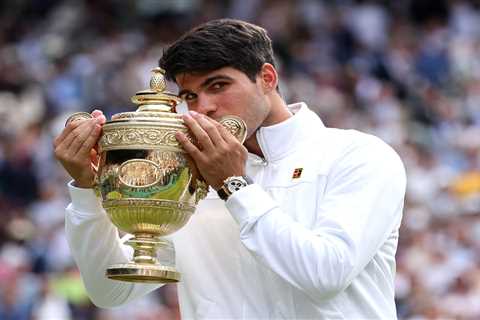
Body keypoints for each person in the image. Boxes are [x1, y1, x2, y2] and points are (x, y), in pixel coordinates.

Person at [54, 18, 407, 319]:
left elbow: (326, 274)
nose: (203, 107)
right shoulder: (186, 174)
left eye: (218, 85)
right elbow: (110, 292)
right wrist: (87, 189)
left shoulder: (358, 155)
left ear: (267, 78)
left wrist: (233, 185)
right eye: (189, 96)